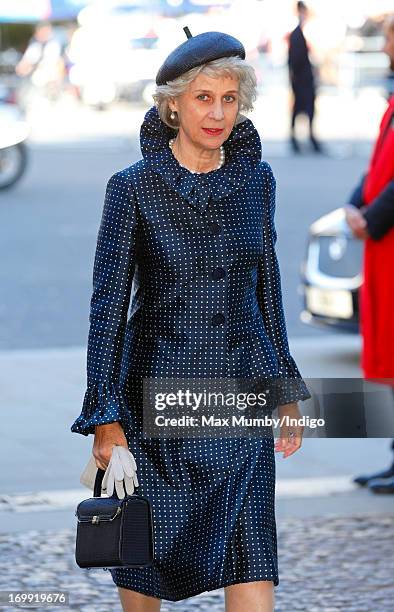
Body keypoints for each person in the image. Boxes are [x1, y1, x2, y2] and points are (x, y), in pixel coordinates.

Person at [70, 29, 310, 611]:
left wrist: (285, 387)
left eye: (230, 99)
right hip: (155, 402)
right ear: (172, 103)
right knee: (144, 563)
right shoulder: (132, 187)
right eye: (204, 98)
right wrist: (104, 416)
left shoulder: (257, 181)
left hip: (240, 397)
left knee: (250, 553)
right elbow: (107, 307)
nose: (217, 113)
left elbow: (267, 287)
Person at [345, 15, 394, 495]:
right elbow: (378, 161)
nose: (385, 46)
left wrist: (372, 215)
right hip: (383, 246)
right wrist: (356, 202)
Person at [287, 1, 322, 153]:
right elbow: (295, 60)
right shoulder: (297, 34)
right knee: (303, 108)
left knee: (303, 109)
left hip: (303, 79)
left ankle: (301, 139)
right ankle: (300, 139)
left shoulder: (300, 33)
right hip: (302, 80)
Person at [15, 21, 64, 102]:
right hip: (36, 83)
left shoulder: (55, 44)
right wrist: (23, 67)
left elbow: (59, 63)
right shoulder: (35, 45)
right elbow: (27, 60)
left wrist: (57, 76)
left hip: (51, 82)